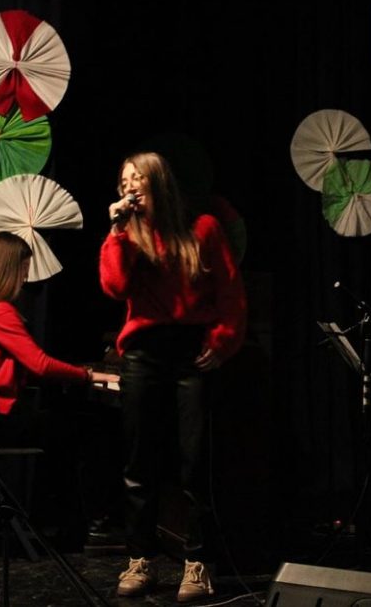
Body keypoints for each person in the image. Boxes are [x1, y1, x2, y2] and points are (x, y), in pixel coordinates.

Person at [99, 151, 246, 601]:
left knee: (195, 463)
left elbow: (230, 293)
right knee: (138, 463)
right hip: (144, 353)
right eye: (124, 180)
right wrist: (117, 233)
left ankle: (197, 563)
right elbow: (114, 287)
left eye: (137, 178)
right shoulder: (127, 233)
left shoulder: (203, 228)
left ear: (158, 182)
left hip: (190, 353)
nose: (129, 186)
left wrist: (222, 342)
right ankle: (140, 560)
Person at [0, 231, 113, 547]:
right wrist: (87, 375)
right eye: (23, 269)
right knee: (87, 430)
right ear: (7, 270)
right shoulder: (0, 311)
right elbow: (39, 364)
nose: (26, 277)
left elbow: (22, 368)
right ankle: (87, 525)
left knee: (68, 427)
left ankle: (64, 522)